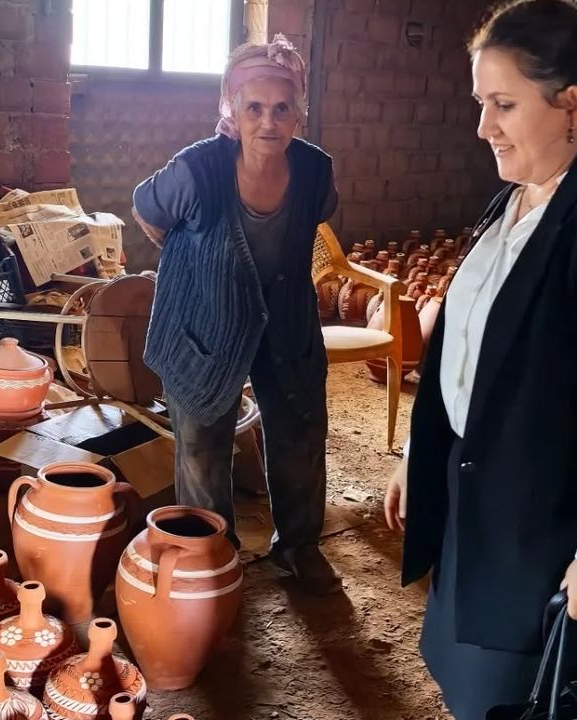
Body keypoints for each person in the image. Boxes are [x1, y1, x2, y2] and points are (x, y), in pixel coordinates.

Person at [383, 1, 577, 716]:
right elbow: (471, 347)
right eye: (481, 104)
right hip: (484, 503)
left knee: (520, 696)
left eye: (503, 105)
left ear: (570, 107)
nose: (482, 126)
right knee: (472, 688)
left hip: (549, 533)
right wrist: (422, 452)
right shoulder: (520, 199)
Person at [132, 35, 342, 595]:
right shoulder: (196, 170)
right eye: (254, 108)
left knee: (299, 429)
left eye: (282, 108)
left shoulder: (314, 171)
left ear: (299, 113)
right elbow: (147, 208)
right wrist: (195, 260)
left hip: (286, 321)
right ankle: (210, 558)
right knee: (203, 442)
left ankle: (298, 545)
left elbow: (317, 216)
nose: (268, 122)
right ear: (232, 108)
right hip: (204, 323)